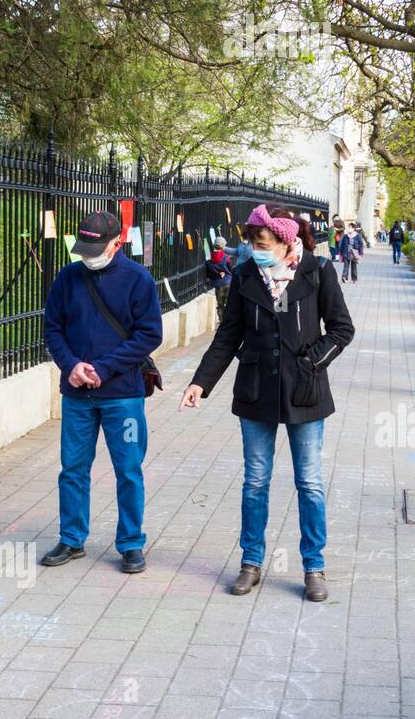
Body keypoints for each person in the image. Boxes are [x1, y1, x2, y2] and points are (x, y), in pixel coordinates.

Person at [178, 203, 354, 603]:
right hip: (256, 390)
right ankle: (251, 563)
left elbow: (342, 328)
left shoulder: (318, 271)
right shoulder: (244, 275)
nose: (255, 248)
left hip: (305, 392)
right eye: (253, 242)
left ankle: (314, 567)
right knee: (255, 482)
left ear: (285, 240)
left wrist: (312, 361)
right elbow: (228, 336)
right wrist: (199, 383)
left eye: (262, 243)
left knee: (309, 482)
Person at [41, 210, 163, 573]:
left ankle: (130, 543)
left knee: (128, 468)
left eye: (97, 248)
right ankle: (72, 538)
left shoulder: (138, 280)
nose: (89, 256)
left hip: (122, 395)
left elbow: (149, 335)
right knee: (73, 468)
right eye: (85, 249)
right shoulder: (68, 277)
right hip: (77, 393)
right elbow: (53, 327)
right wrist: (71, 365)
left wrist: (105, 368)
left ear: (117, 243)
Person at [206, 239, 233, 322]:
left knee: (220, 304)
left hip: (217, 284)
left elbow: (208, 272)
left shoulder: (210, 258)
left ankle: (221, 321)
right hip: (228, 282)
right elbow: (230, 269)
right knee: (228, 303)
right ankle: (228, 320)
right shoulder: (226, 257)